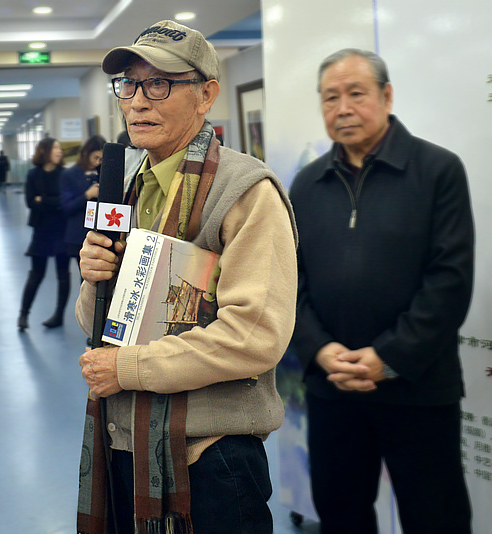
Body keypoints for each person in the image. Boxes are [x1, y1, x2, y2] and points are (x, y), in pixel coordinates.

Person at [75, 20, 297, 534]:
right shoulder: (128, 186)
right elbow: (99, 326)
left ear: (207, 95)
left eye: (160, 84)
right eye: (128, 84)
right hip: (126, 444)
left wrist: (128, 369)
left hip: (209, 458)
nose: (137, 101)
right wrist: (93, 278)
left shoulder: (244, 192)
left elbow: (254, 336)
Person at [289, 49, 474, 534]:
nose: (343, 108)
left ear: (387, 96)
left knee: (436, 516)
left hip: (418, 386)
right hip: (332, 388)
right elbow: (292, 282)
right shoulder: (307, 185)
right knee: (341, 511)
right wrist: (322, 351)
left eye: (356, 94)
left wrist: (387, 357)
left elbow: (450, 281)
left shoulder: (437, 170)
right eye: (331, 98)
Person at [18, 137, 70, 330]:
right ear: (44, 151)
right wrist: (52, 201)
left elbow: (65, 202)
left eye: (60, 148)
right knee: (35, 274)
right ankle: (23, 315)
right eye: (55, 148)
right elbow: (30, 203)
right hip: (41, 231)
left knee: (63, 275)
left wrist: (44, 200)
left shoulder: (65, 174)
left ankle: (59, 315)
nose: (59, 151)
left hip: (62, 230)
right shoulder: (33, 175)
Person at [60, 134, 105, 274]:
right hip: (78, 235)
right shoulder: (70, 175)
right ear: (86, 154)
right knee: (85, 276)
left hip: (100, 234)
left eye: (101, 159)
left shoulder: (104, 173)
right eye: (95, 158)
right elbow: (66, 207)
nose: (98, 162)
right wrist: (87, 195)